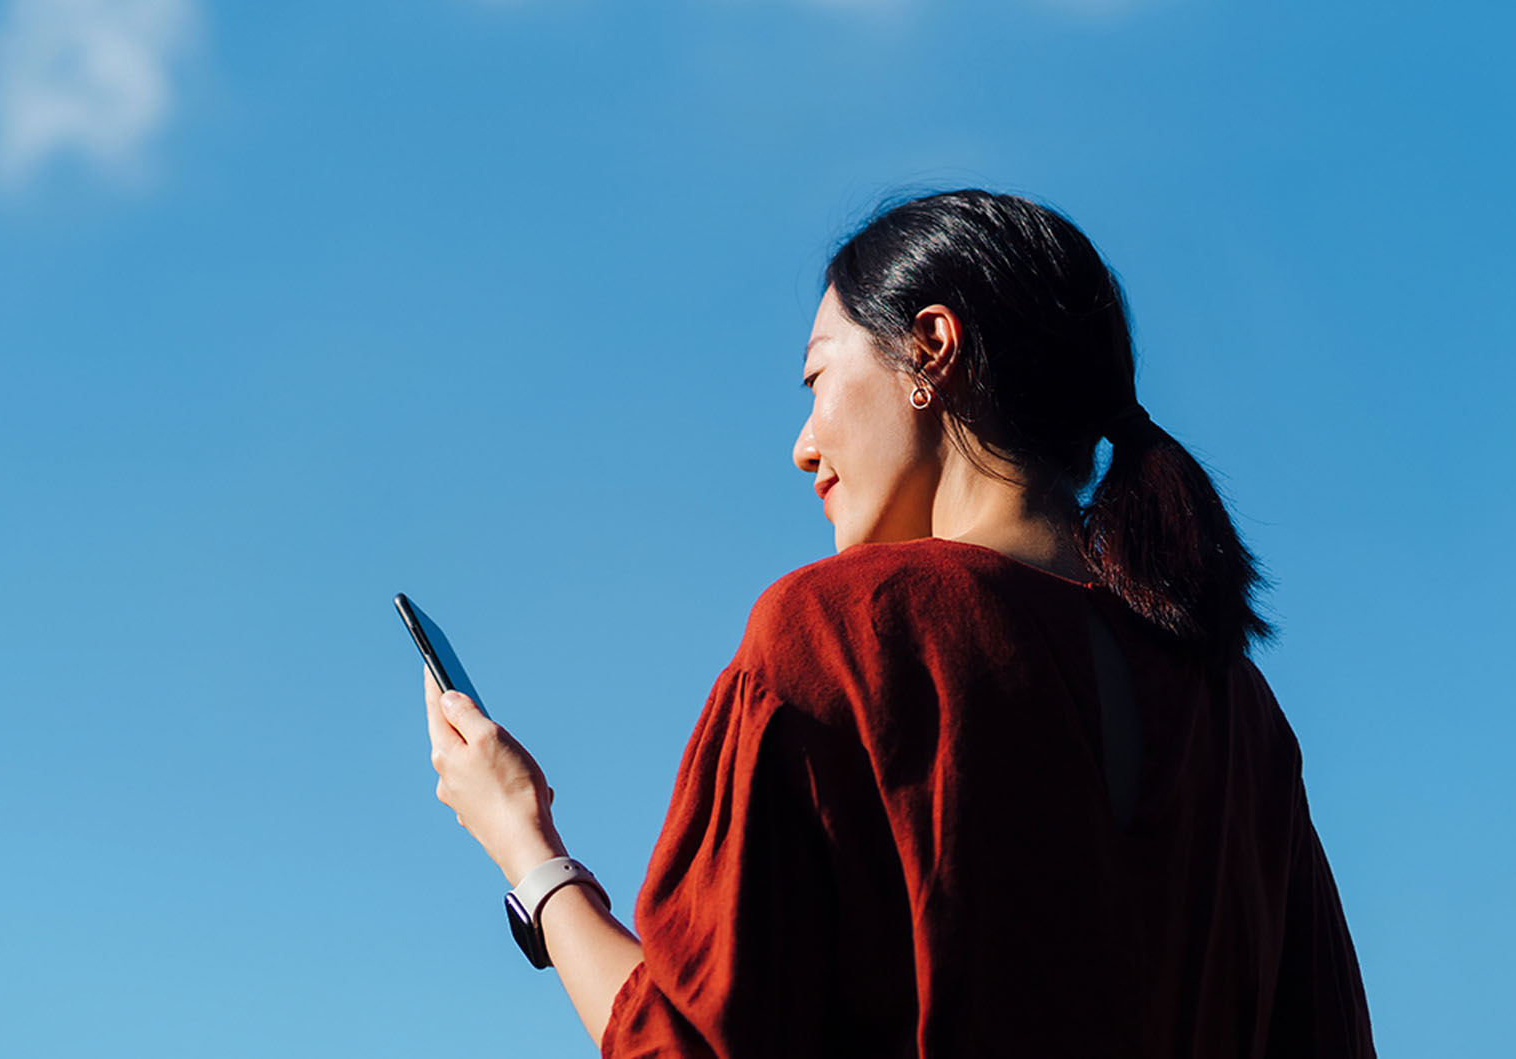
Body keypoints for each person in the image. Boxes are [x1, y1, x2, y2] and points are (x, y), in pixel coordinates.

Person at [420, 188, 1376, 1057]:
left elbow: (688, 1044)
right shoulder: (1237, 707)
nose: (803, 448)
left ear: (930, 347)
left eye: (816, 379)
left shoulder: (841, 630)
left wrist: (528, 850)